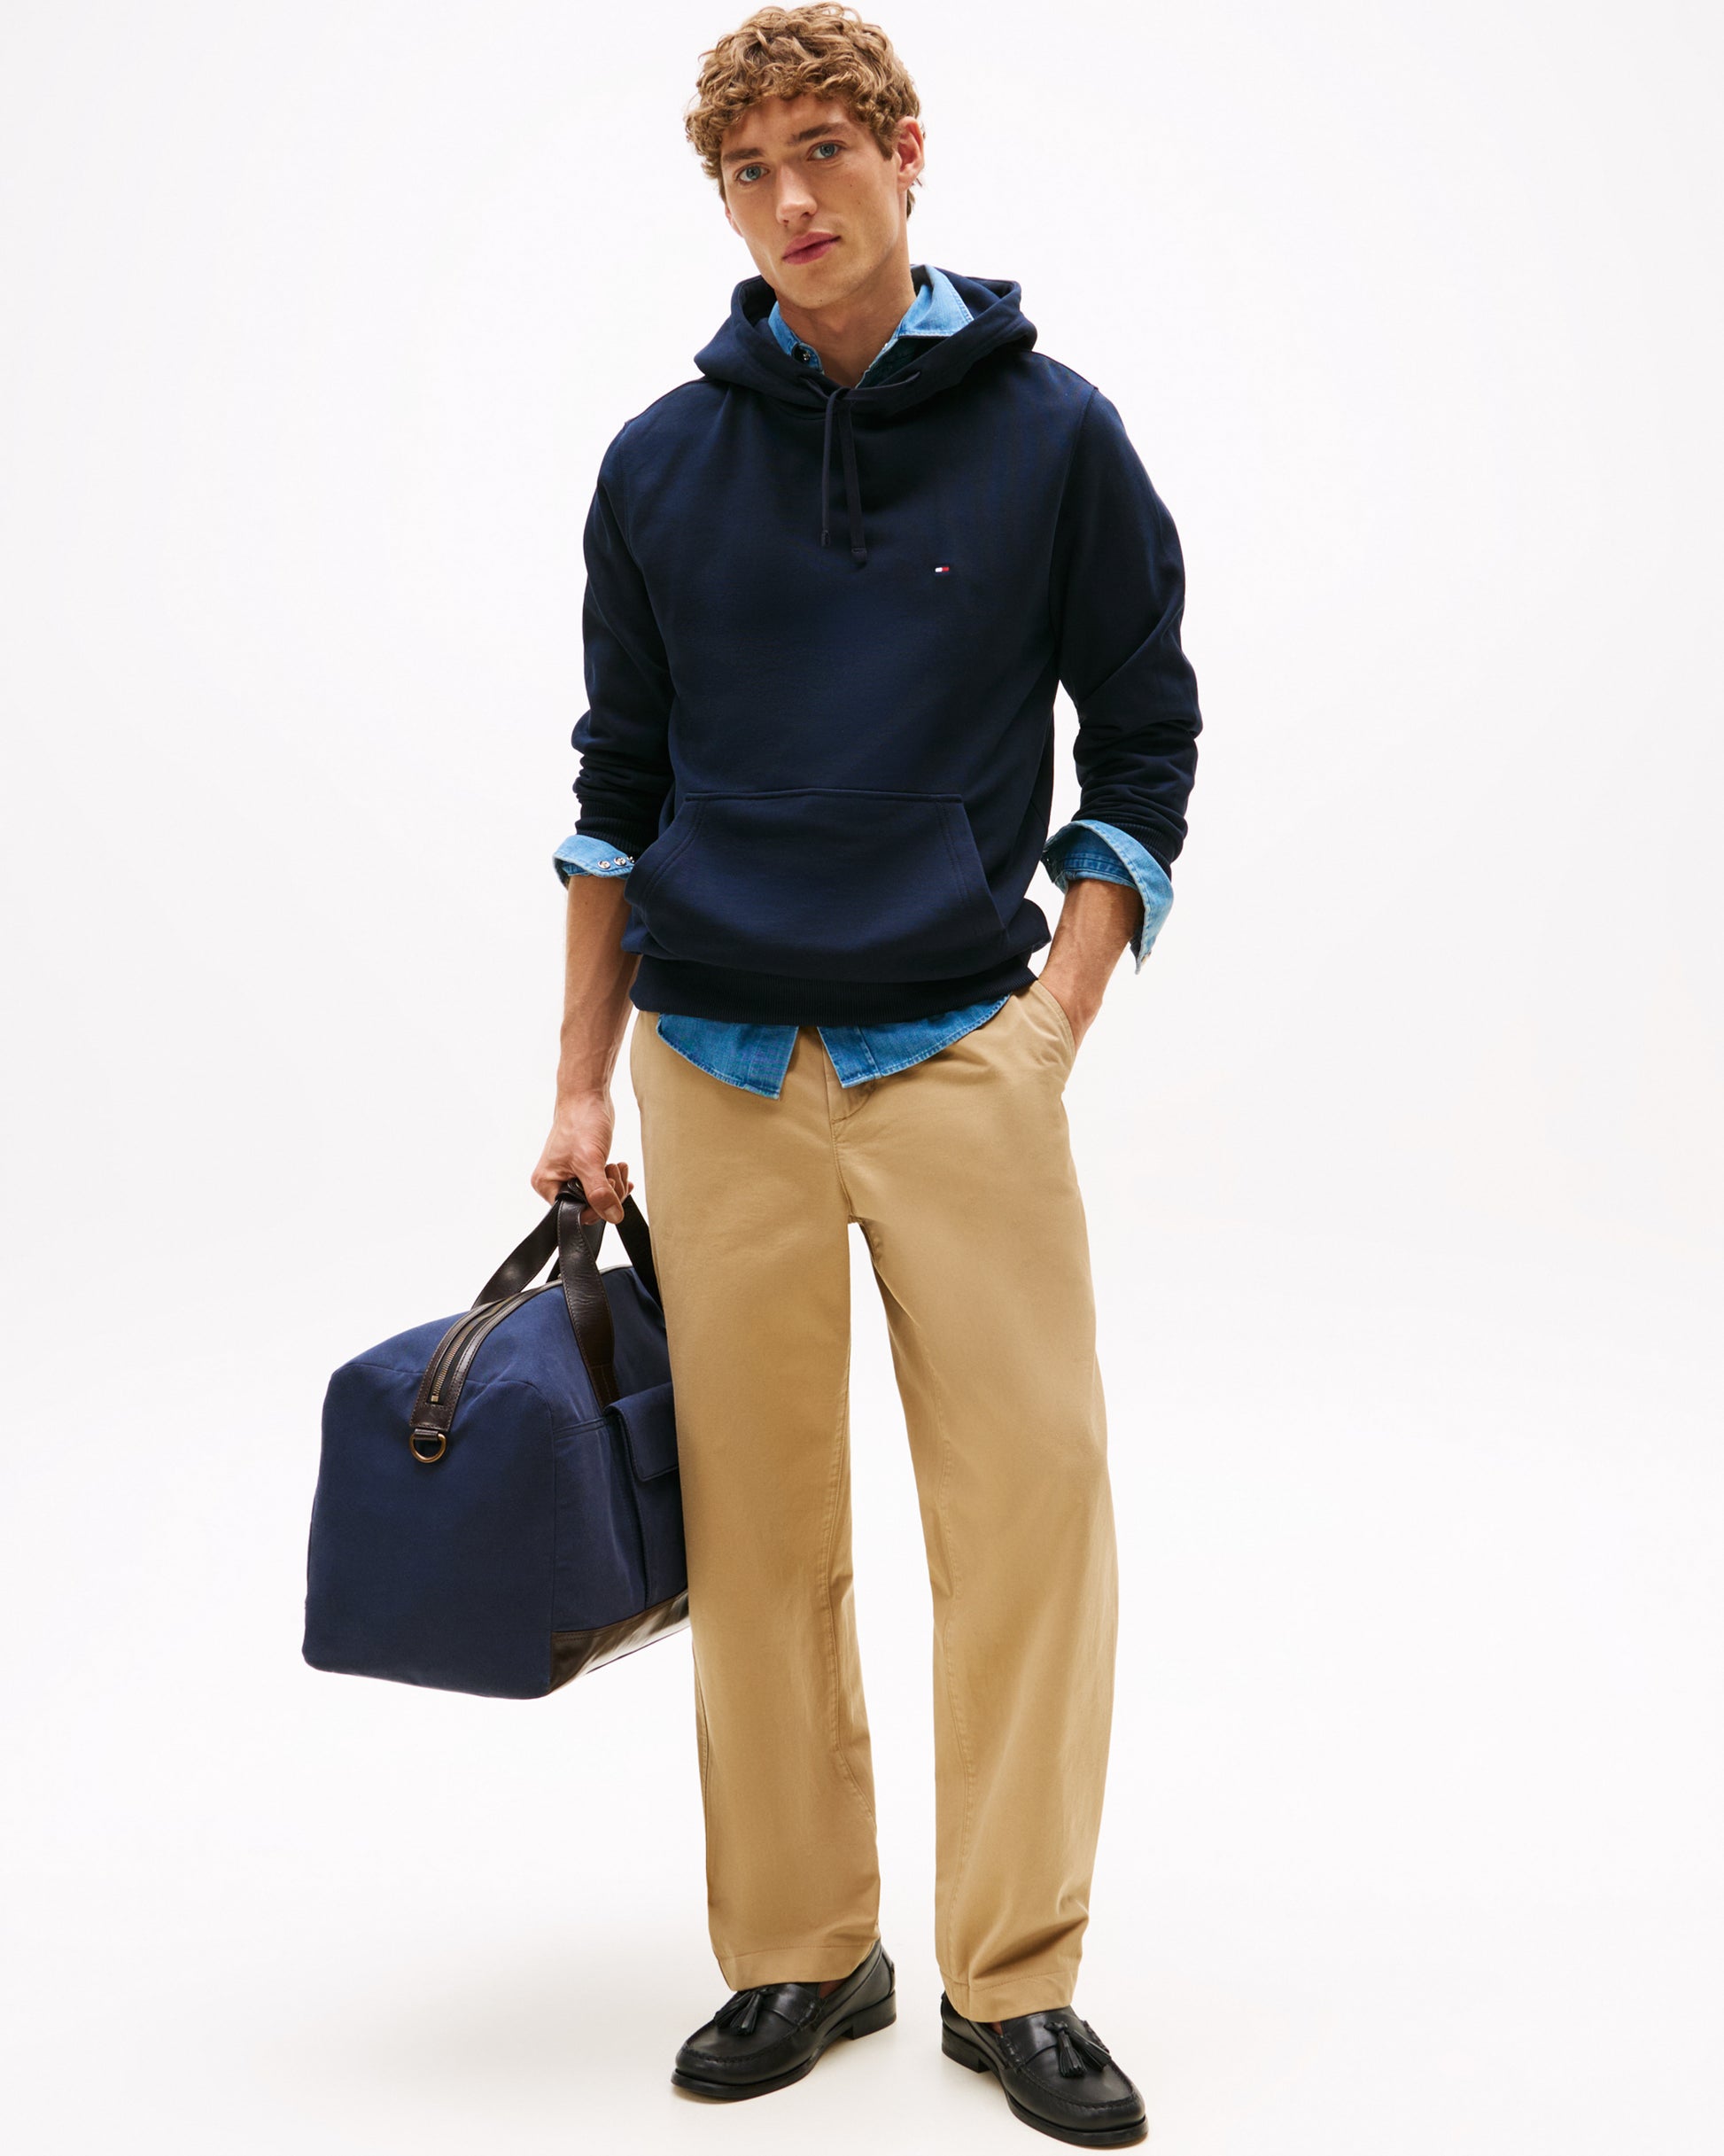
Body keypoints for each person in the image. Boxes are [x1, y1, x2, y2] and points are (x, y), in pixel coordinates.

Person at [532, 5, 1200, 2142]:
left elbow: (1146, 741)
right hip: (713, 1064)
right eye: (749, 172)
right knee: (757, 1533)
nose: (791, 200)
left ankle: (1016, 1975)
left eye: (825, 149)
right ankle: (805, 1949)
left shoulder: (1056, 436)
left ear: (907, 153)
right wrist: (580, 1085)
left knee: (1032, 1513)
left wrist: (1055, 1016)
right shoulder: (659, 460)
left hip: (957, 1048)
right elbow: (615, 784)